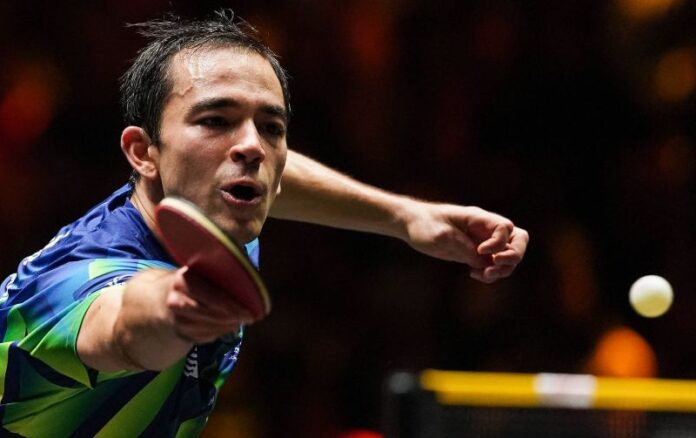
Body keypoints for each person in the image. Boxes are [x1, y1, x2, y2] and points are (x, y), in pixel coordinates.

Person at [0, 10, 528, 437]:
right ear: (143, 152)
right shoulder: (71, 283)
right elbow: (120, 324)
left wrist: (408, 216)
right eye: (215, 120)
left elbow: (277, 174)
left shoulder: (216, 197)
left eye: (271, 126)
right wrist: (173, 307)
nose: (252, 147)